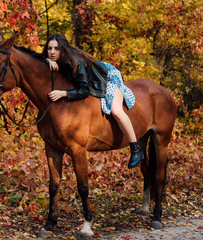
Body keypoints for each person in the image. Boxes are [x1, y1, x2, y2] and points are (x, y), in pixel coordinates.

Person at [42, 34, 143, 169]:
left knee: (116, 111)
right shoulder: (53, 59)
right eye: (49, 48)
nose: (52, 52)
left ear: (63, 49)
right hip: (92, 81)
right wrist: (47, 61)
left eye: (56, 48)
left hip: (106, 77)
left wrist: (63, 93)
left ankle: (135, 148)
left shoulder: (75, 62)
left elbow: (84, 90)